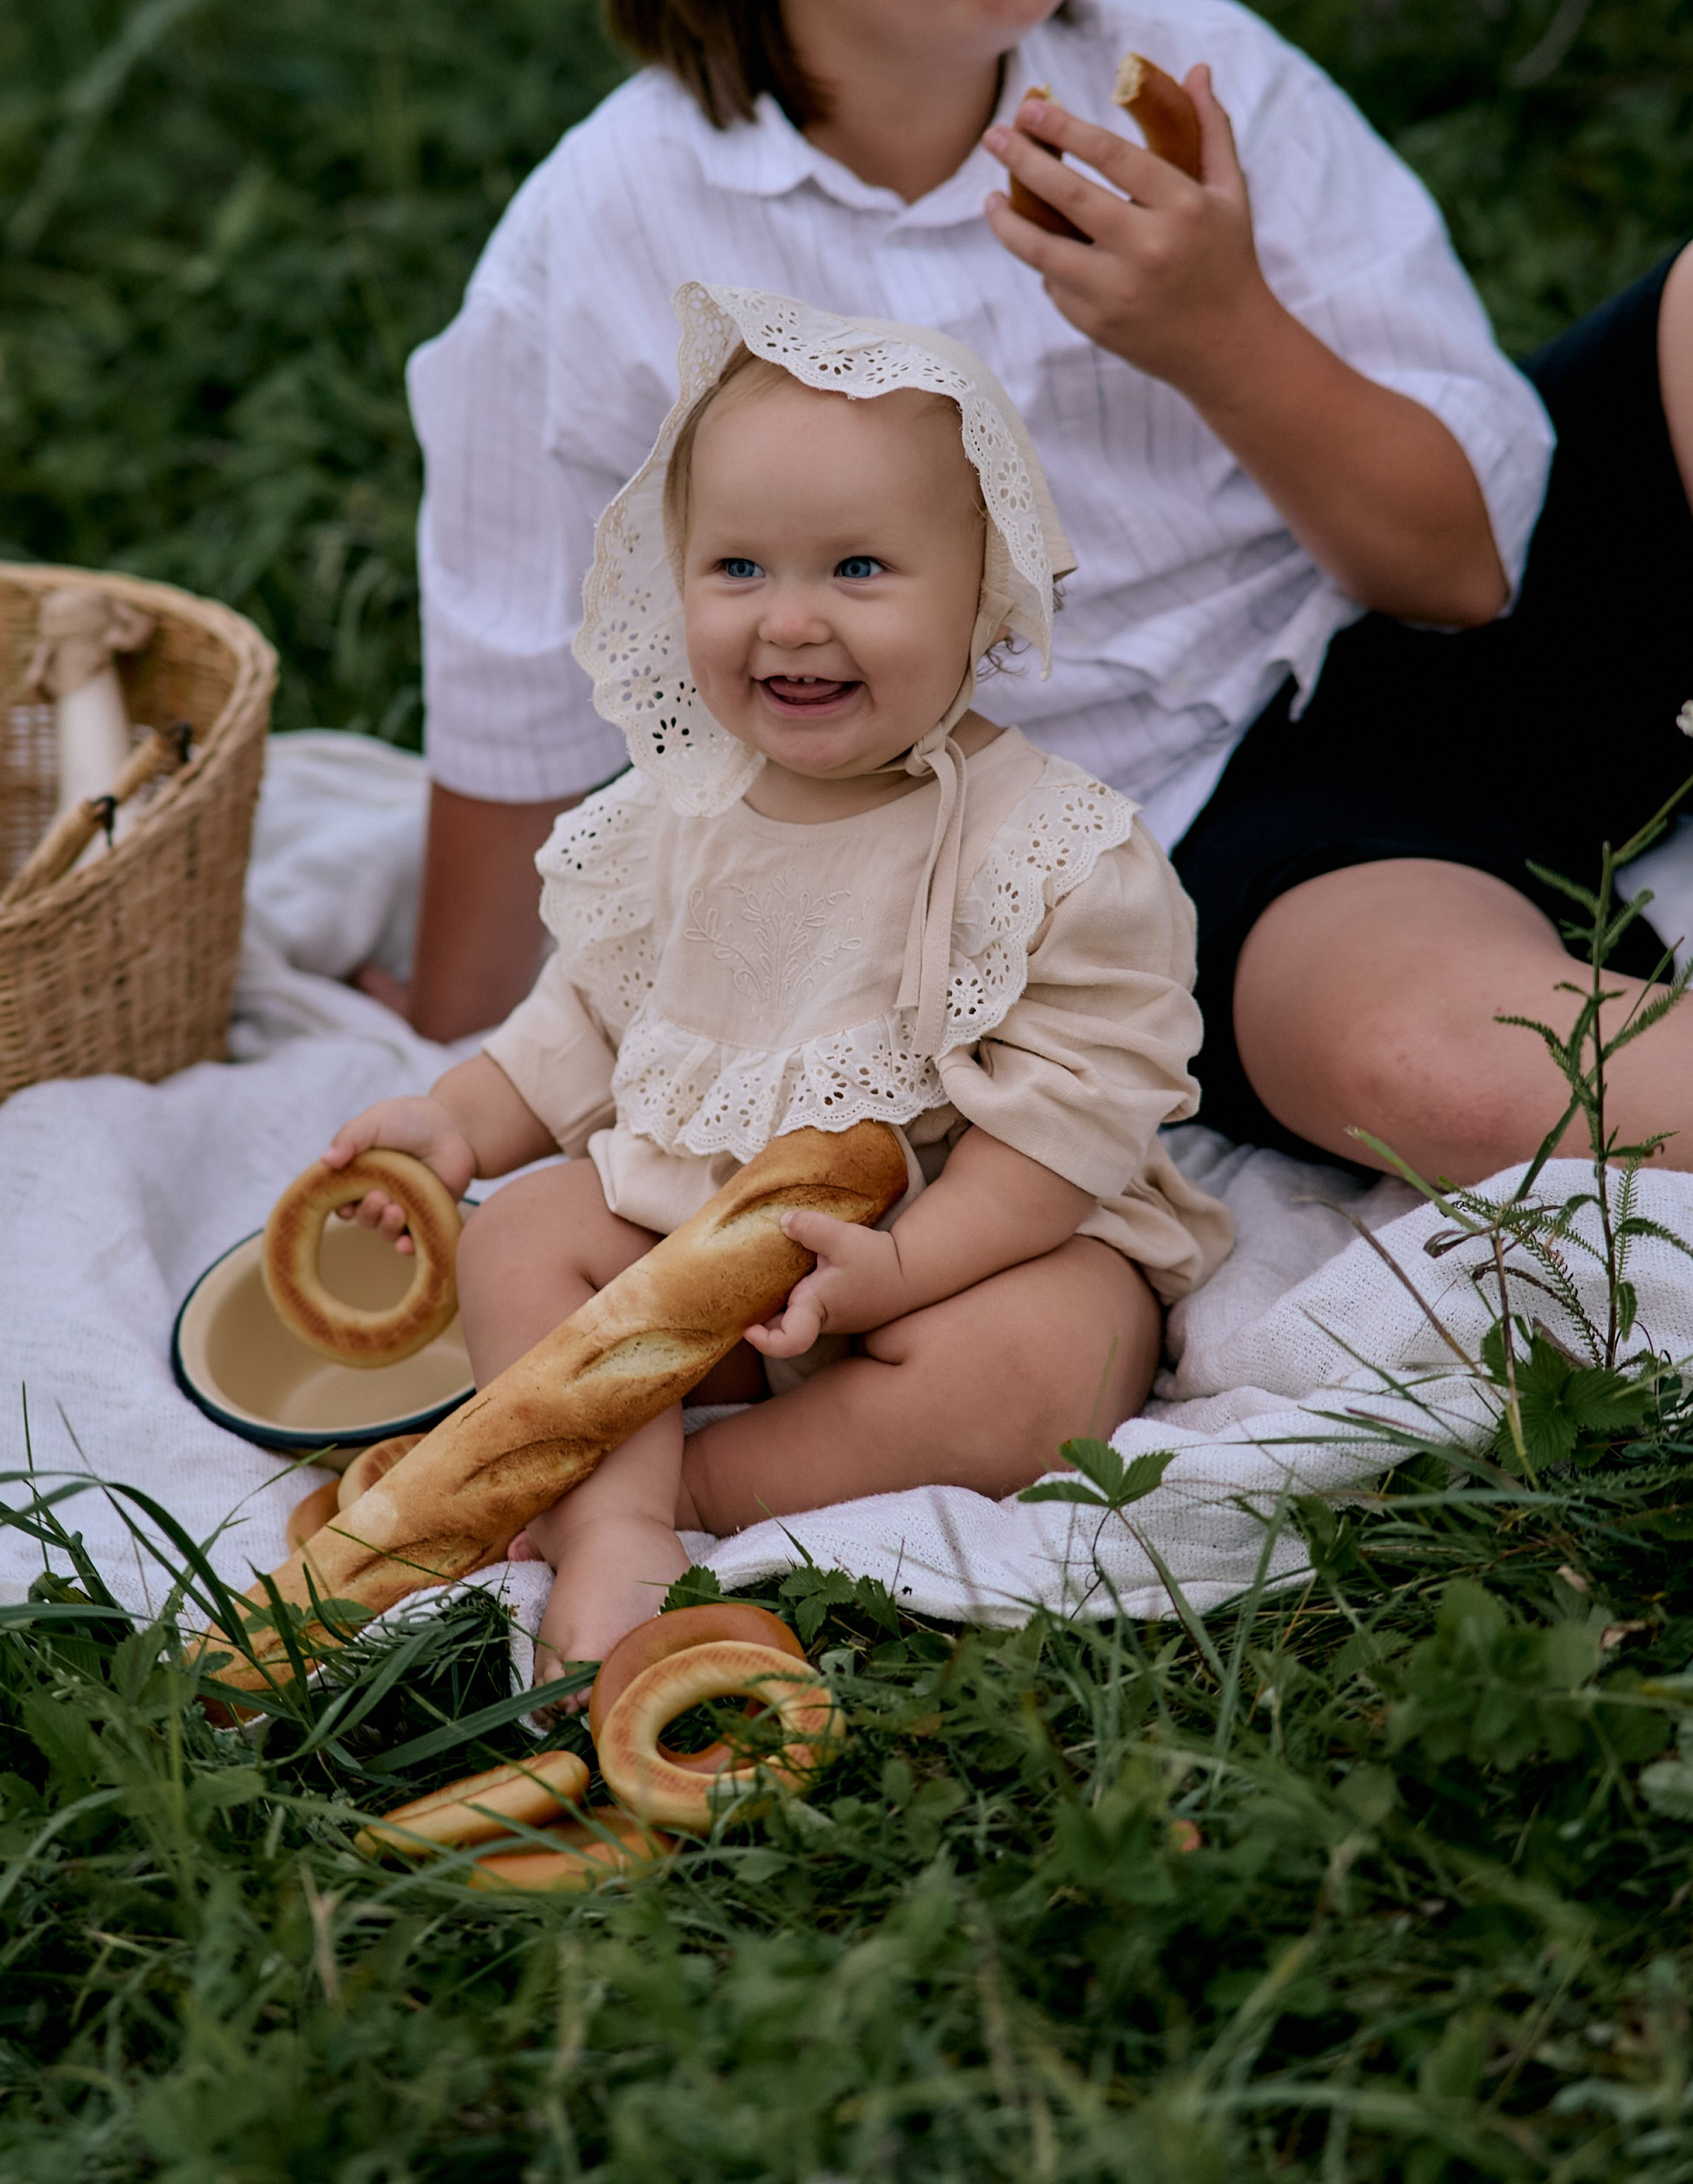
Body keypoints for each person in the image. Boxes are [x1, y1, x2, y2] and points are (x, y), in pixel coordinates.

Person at [392, 0, 1693, 1202]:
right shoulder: (598, 243)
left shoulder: (1201, 82)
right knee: (1440, 1069)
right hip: (1188, 824)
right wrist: (447, 1036)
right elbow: (508, 692)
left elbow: (1463, 567)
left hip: (1458, 611)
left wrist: (1221, 337)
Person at [323, 286, 1230, 1672]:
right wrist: (457, 1122)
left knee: (1058, 1352)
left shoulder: (1047, 846)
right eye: (738, 568)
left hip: (961, 1249)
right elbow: (588, 1021)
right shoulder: (675, 812)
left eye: (858, 569)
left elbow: (1074, 1111)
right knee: (525, 1235)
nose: (789, 621)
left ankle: (691, 1488)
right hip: (713, 1264)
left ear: (980, 591)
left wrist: (906, 1265)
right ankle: (618, 1518)